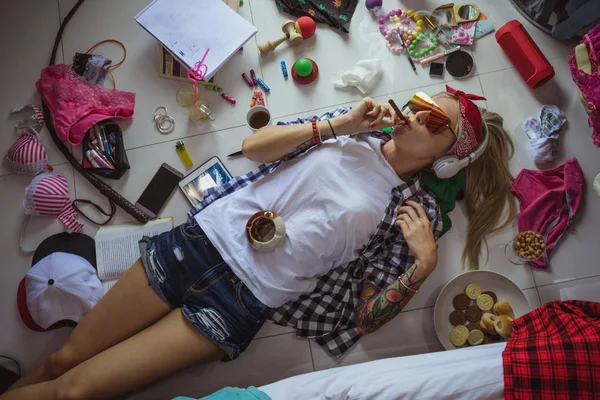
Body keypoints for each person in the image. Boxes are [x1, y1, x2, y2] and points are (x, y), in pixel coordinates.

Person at [3, 86, 516, 400]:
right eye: (421, 102)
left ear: (448, 158)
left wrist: (422, 267)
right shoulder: (354, 126)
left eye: (435, 120)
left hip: (239, 305)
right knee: (59, 362)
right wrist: (338, 122)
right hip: (198, 243)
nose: (414, 113)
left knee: (74, 392)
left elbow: (366, 317)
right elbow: (252, 147)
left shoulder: (416, 212)